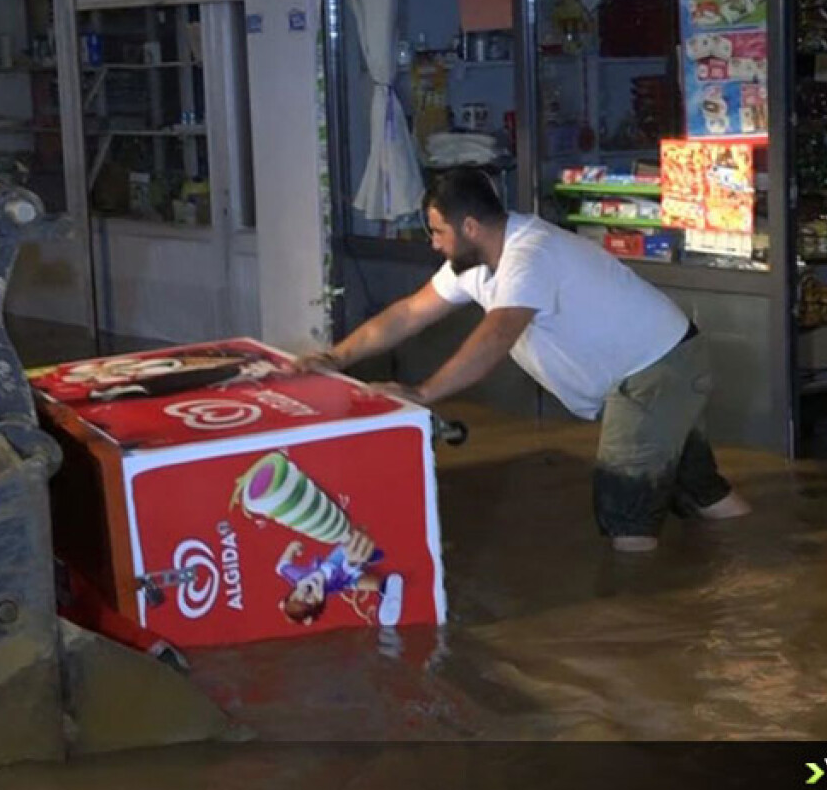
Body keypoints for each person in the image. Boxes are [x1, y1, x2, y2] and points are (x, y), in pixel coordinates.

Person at [297, 167, 749, 552]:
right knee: (701, 494)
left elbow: (497, 335)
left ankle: (640, 627)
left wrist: (421, 393)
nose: (433, 244)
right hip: (665, 364)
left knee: (624, 515)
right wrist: (336, 357)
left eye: (437, 232)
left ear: (470, 227)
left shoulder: (528, 255)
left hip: (655, 372)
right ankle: (749, 565)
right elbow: (408, 313)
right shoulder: (473, 265)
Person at [276, 528, 404, 627]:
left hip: (338, 564)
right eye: (309, 600)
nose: (305, 592)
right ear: (320, 601)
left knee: (349, 541)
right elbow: (348, 568)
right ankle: (387, 587)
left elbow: (281, 567)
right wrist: (354, 560)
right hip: (345, 577)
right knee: (365, 579)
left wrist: (291, 549)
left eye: (297, 596)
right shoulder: (335, 579)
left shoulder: (298, 576)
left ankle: (365, 557)